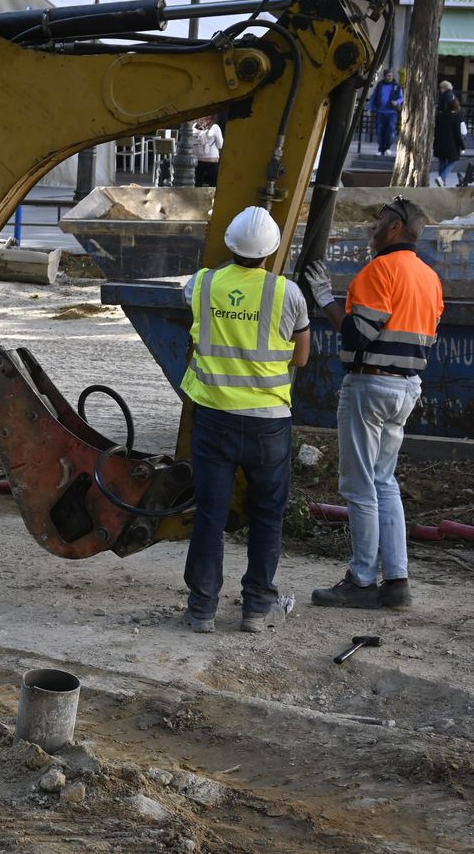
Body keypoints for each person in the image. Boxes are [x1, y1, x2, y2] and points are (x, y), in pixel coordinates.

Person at [302, 196, 444, 611]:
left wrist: (325, 298)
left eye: (380, 218)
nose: (373, 225)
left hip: (370, 387)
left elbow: (356, 335)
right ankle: (396, 580)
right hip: (405, 388)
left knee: (359, 488)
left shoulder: (379, 271)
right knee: (384, 482)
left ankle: (362, 580)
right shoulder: (430, 279)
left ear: (396, 227)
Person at [179, 206, 312, 634]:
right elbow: (303, 356)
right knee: (267, 516)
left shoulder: (202, 284)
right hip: (269, 424)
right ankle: (256, 609)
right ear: (272, 250)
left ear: (231, 244)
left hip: (215, 418)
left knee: (209, 517)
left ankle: (202, 610)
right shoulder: (287, 293)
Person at [368, 69, 404, 155]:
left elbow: (402, 97)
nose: (390, 77)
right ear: (384, 77)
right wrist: (369, 108)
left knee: (391, 130)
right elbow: (373, 97)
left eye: (391, 76)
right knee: (380, 131)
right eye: (388, 76)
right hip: (380, 112)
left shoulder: (396, 86)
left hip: (392, 112)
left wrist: (397, 102)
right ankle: (381, 149)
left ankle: (387, 147)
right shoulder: (380, 85)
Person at [432, 97, 466, 186]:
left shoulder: (439, 116)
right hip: (452, 144)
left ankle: (442, 181)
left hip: (439, 143)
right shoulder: (456, 118)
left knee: (442, 161)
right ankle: (442, 177)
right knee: (453, 160)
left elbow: (435, 130)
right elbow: (458, 135)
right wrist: (462, 146)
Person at [190, 116, 223, 187]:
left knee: (197, 184)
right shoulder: (215, 127)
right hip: (211, 160)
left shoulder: (194, 126)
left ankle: (197, 198)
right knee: (213, 184)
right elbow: (220, 145)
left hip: (197, 159)